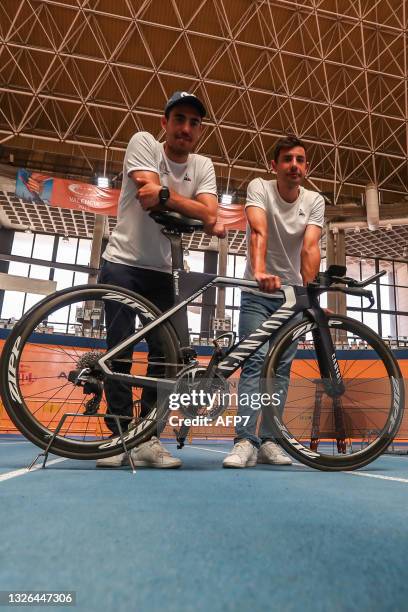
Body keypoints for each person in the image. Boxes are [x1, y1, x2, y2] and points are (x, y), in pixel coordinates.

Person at [97, 91, 224, 468]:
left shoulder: (203, 165)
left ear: (199, 129)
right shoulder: (143, 142)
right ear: (164, 122)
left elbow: (211, 216)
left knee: (164, 359)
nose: (186, 127)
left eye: (193, 122)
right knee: (119, 352)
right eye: (179, 119)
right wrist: (193, 207)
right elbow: (148, 195)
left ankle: (147, 438)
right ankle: (120, 437)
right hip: (123, 263)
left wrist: (168, 194)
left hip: (164, 274)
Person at [223, 135, 325, 468]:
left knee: (281, 369)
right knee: (256, 362)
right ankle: (243, 440)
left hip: (292, 298)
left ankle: (270, 440)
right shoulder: (260, 188)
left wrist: (310, 297)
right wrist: (261, 272)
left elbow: (310, 247)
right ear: (274, 165)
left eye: (300, 160)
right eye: (287, 159)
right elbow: (258, 230)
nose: (294, 165)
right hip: (258, 294)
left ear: (305, 166)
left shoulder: (314, 200)